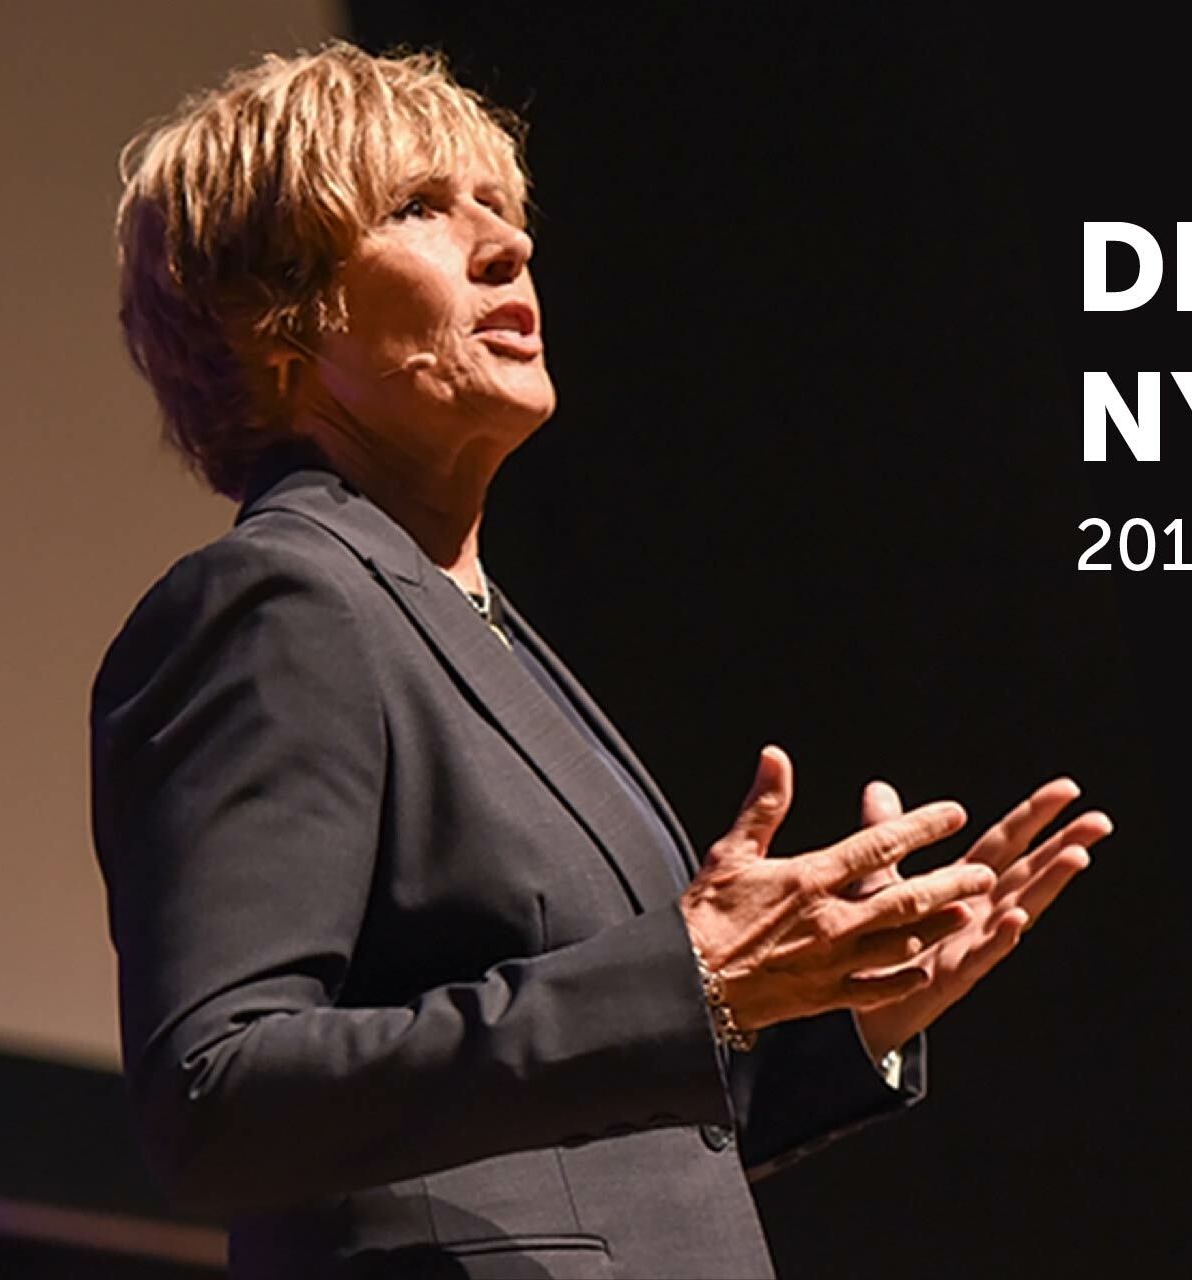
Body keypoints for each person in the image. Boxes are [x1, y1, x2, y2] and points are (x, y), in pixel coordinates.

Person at [91, 42, 1106, 1279]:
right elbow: (218, 1096)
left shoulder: (466, 621)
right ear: (273, 324)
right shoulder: (277, 604)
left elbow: (590, 1130)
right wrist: (692, 976)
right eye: (418, 208)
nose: (507, 245)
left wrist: (839, 1010)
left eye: (500, 207)